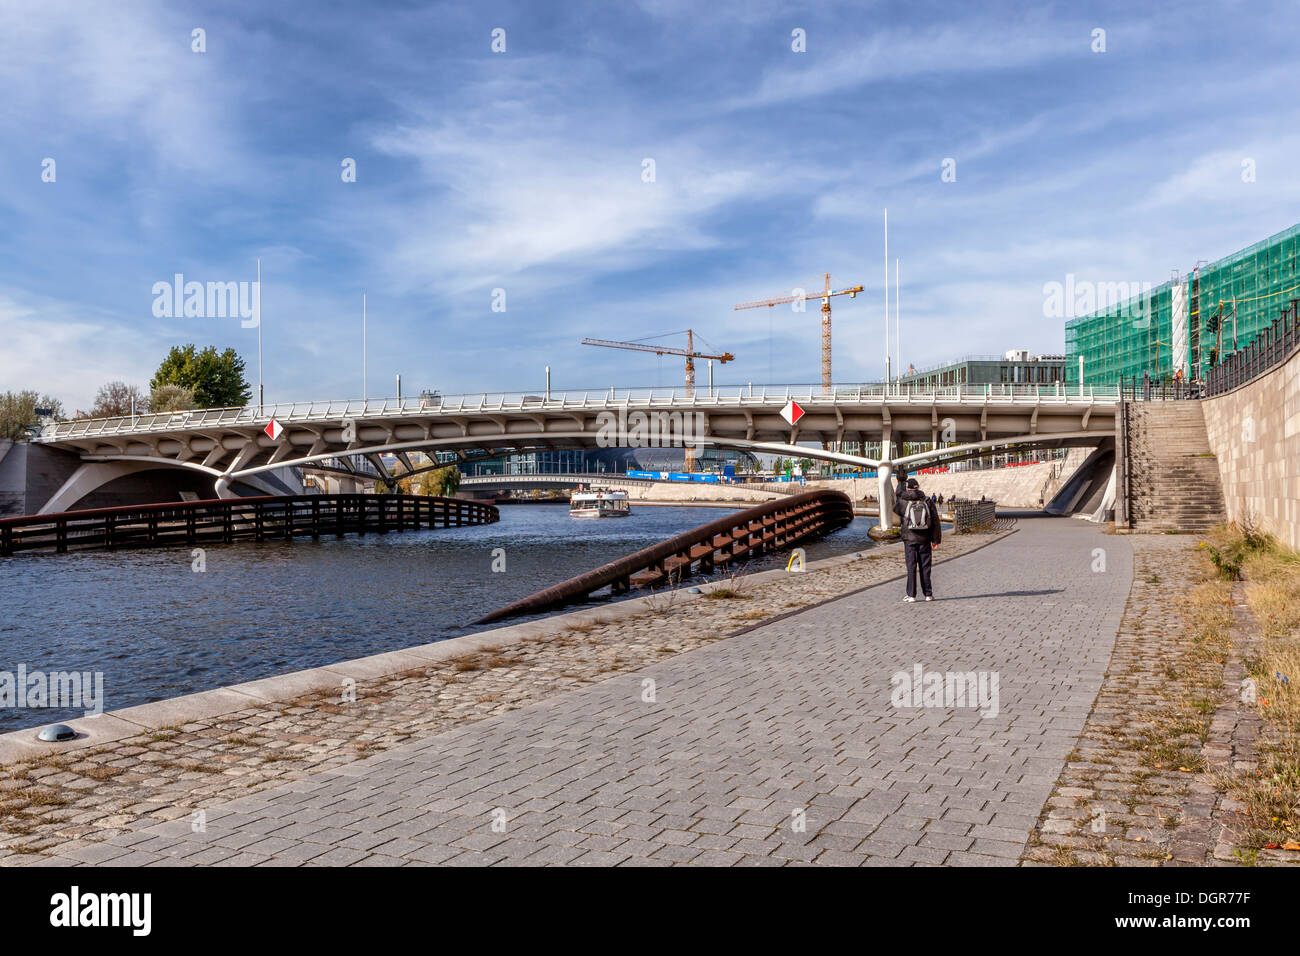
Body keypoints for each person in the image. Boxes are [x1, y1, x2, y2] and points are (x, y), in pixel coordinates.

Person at [893, 475, 941, 603]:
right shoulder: (927, 501)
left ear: (907, 488)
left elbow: (895, 508)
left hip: (909, 539)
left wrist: (900, 486)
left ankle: (911, 595)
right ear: (918, 487)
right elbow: (935, 521)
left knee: (911, 566)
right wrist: (935, 540)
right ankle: (928, 594)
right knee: (925, 567)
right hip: (925, 539)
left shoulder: (903, 501)